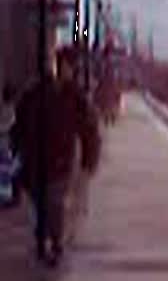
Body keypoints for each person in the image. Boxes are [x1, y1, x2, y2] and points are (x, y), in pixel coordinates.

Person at [11, 47, 100, 265]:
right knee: (40, 201)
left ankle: (55, 243)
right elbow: (20, 121)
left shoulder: (74, 96)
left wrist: (90, 158)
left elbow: (88, 129)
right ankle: (45, 236)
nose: (64, 70)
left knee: (55, 201)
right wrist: (16, 146)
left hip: (59, 159)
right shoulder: (34, 92)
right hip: (34, 159)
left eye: (68, 66)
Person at [0, 84, 19, 208]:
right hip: (7, 143)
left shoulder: (4, 109)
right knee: (8, 171)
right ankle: (8, 198)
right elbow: (10, 126)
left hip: (5, 143)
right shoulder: (12, 110)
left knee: (5, 172)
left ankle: (7, 197)